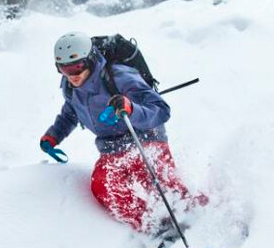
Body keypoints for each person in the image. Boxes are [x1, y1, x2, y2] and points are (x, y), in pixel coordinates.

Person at [40, 32, 203, 237]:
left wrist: (131, 108)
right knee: (104, 186)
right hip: (112, 147)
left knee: (160, 184)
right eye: (64, 68)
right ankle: (153, 226)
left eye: (77, 66)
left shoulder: (119, 76)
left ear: (89, 59)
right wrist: (53, 136)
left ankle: (200, 214)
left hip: (144, 137)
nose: (72, 74)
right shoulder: (70, 87)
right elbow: (71, 112)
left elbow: (161, 110)